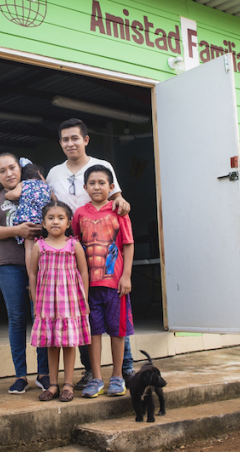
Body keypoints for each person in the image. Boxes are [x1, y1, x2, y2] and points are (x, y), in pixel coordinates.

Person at [46, 118, 135, 388]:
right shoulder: (54, 174)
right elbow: (57, 216)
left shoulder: (103, 167)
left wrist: (122, 201)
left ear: (85, 140)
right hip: (78, 256)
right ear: (61, 143)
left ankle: (124, 371)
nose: (70, 143)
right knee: (87, 321)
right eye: (65, 139)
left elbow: (118, 198)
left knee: (117, 324)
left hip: (111, 264)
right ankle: (93, 375)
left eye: (75, 138)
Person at [0, 152, 50, 394]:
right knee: (18, 317)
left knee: (40, 316)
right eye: (2, 170)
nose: (9, 173)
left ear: (20, 170)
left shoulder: (39, 188)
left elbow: (56, 216)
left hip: (42, 264)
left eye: (12, 168)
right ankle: (20, 375)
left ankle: (44, 373)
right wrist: (17, 229)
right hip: (9, 264)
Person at [72, 165, 134, 398]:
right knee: (93, 332)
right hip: (88, 287)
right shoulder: (79, 214)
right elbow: (76, 248)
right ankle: (96, 378)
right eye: (92, 183)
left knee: (118, 332)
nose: (96, 187)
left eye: (102, 183)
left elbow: (128, 244)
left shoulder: (119, 212)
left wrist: (126, 276)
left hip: (115, 285)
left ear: (111, 187)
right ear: (85, 187)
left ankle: (117, 376)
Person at [28, 200, 91, 402]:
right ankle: (53, 384)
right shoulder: (39, 246)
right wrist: (36, 301)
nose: (56, 222)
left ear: (69, 222)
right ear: (44, 223)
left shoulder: (74, 245)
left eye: (61, 218)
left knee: (69, 343)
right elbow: (32, 274)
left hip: (70, 302)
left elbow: (83, 272)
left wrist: (85, 299)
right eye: (51, 218)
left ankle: (68, 384)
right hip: (47, 303)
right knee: (52, 344)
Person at [4, 160, 51, 266]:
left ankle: (32, 278)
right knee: (44, 249)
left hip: (28, 222)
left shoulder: (23, 184)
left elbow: (15, 195)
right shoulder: (46, 187)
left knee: (29, 250)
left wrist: (6, 195)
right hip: (44, 222)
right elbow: (55, 200)